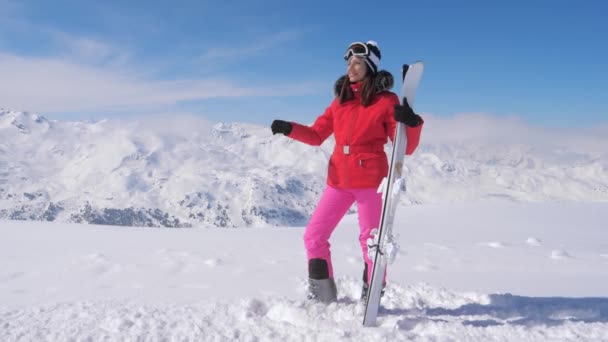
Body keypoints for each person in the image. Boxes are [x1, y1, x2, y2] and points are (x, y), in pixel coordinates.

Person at [271, 40, 423, 303]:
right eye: (349, 63)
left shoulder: (386, 101)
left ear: (370, 67)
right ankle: (322, 296)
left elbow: (404, 149)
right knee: (314, 236)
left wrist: (412, 123)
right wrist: (289, 128)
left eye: (357, 63)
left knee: (371, 243)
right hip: (338, 180)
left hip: (371, 181)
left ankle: (371, 294)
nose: (351, 68)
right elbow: (317, 135)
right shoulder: (340, 102)